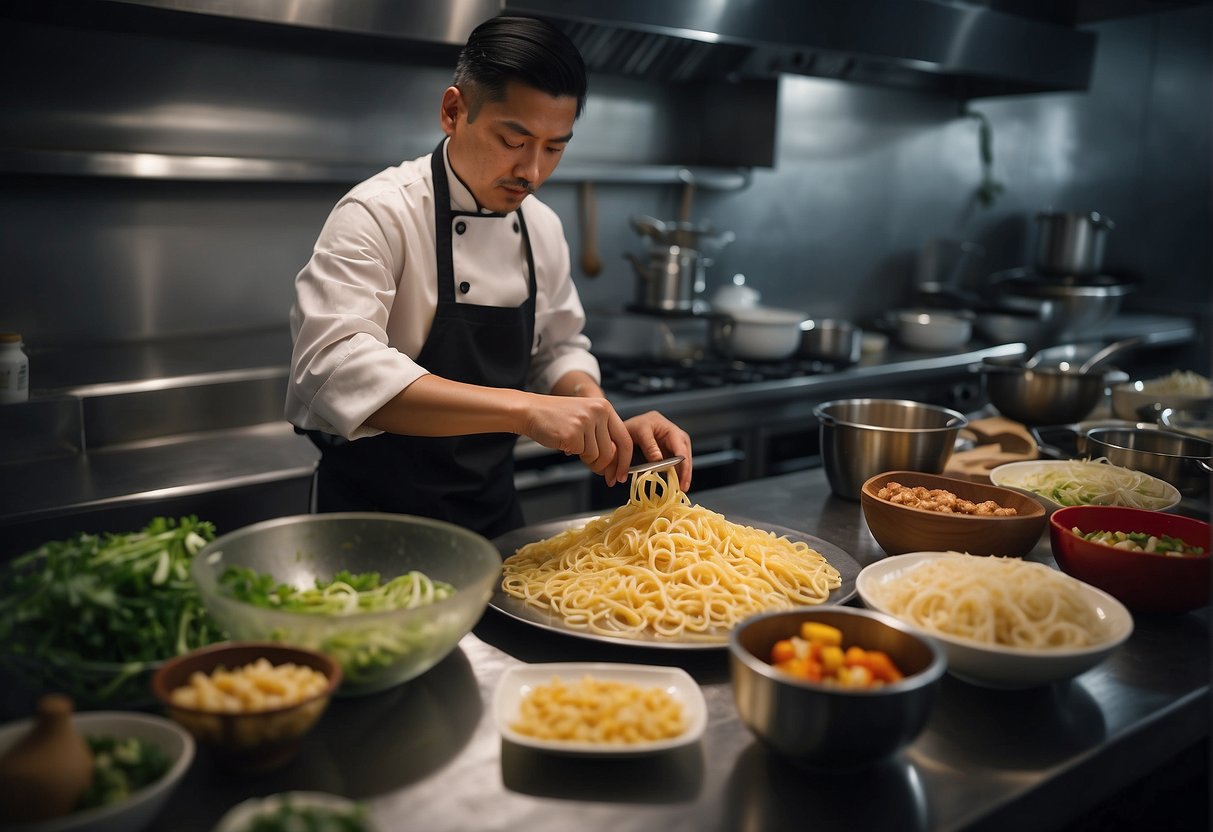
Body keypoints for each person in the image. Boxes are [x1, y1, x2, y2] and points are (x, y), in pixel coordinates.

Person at [285, 15, 693, 539]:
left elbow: (557, 350)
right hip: (371, 520)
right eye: (513, 139)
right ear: (454, 111)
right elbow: (334, 370)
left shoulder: (541, 226)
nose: (533, 171)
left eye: (554, 147)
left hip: (492, 519)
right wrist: (525, 411)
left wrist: (599, 415)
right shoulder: (378, 213)